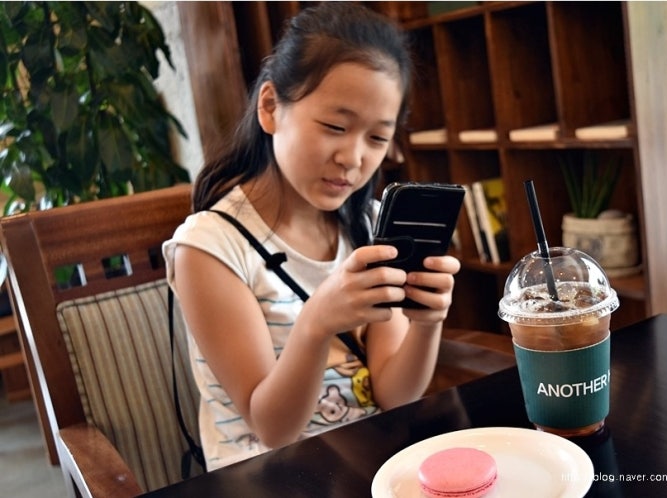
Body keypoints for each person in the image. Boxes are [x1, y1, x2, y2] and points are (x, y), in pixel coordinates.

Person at [163, 1, 460, 471]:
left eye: (377, 138)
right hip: (265, 475)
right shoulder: (210, 249)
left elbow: (394, 396)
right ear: (269, 107)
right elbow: (272, 429)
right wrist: (316, 323)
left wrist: (426, 323)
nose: (353, 158)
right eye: (335, 127)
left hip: (366, 462)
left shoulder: (366, 226)